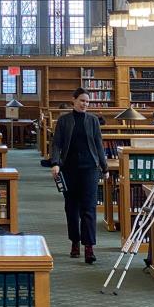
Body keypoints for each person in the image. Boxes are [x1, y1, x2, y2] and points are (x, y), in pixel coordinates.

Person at [50, 87, 108, 263]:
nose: (85, 104)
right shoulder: (64, 120)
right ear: (73, 100)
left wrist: (104, 168)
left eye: (88, 102)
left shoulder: (93, 121)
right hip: (69, 169)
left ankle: (89, 247)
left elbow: (98, 145)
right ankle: (75, 242)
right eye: (82, 100)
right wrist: (55, 163)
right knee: (71, 208)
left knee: (89, 208)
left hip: (90, 168)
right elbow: (57, 144)